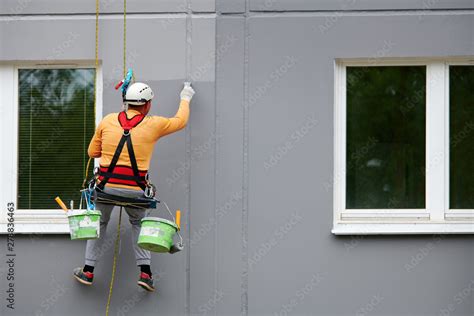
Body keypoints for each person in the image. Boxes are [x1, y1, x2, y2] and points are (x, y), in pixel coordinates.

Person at [73, 82, 195, 292]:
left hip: (106, 188)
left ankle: (88, 270)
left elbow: (92, 153)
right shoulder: (154, 124)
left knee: (99, 223)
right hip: (135, 191)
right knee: (139, 223)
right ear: (146, 105)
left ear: (126, 102)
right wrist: (186, 95)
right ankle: (145, 274)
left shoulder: (108, 120)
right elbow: (181, 121)